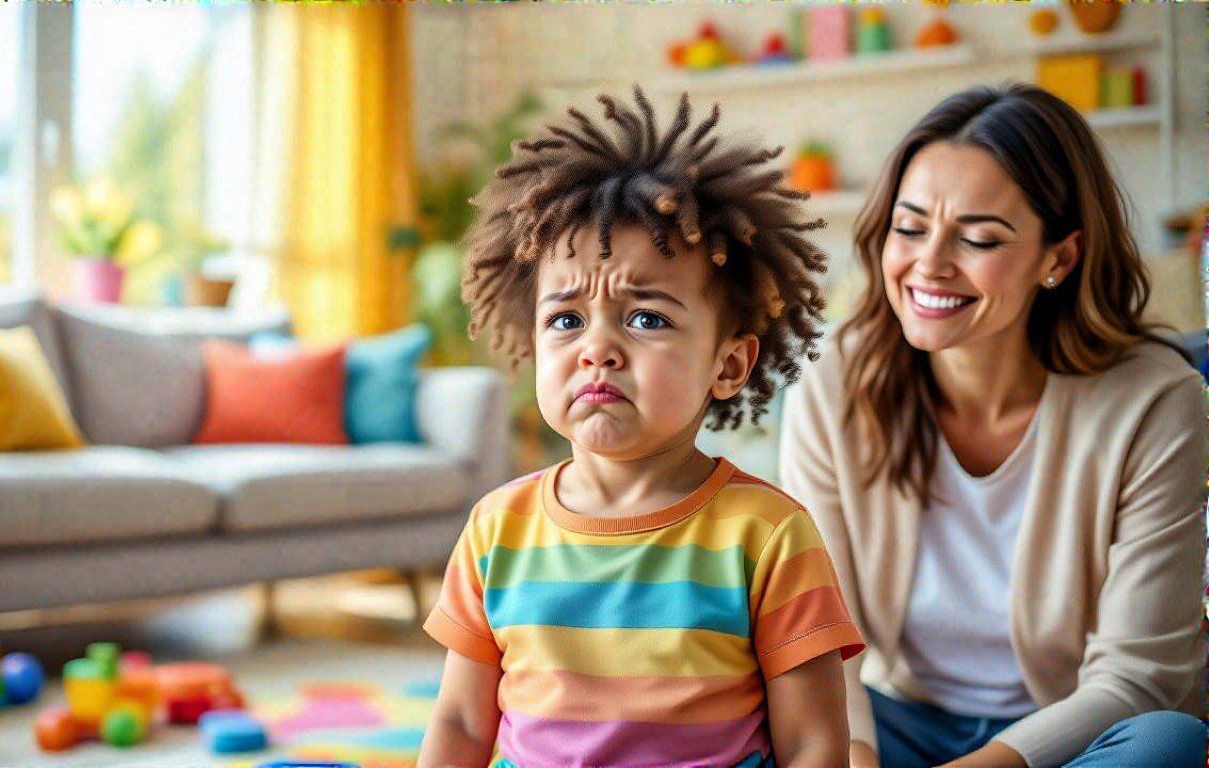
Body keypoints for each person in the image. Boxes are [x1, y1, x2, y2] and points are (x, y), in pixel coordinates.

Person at [417, 87, 865, 768]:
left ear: (729, 363)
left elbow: (813, 745)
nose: (598, 348)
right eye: (565, 320)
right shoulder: (495, 528)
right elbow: (457, 723)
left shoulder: (769, 535)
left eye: (647, 318)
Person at [780, 83, 1209, 768]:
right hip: (897, 726)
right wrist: (854, 757)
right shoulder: (832, 381)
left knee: (1168, 743)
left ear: (1058, 260)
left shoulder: (1155, 401)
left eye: (978, 238)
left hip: (1069, 737)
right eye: (910, 227)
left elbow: (1139, 676)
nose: (930, 264)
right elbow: (822, 633)